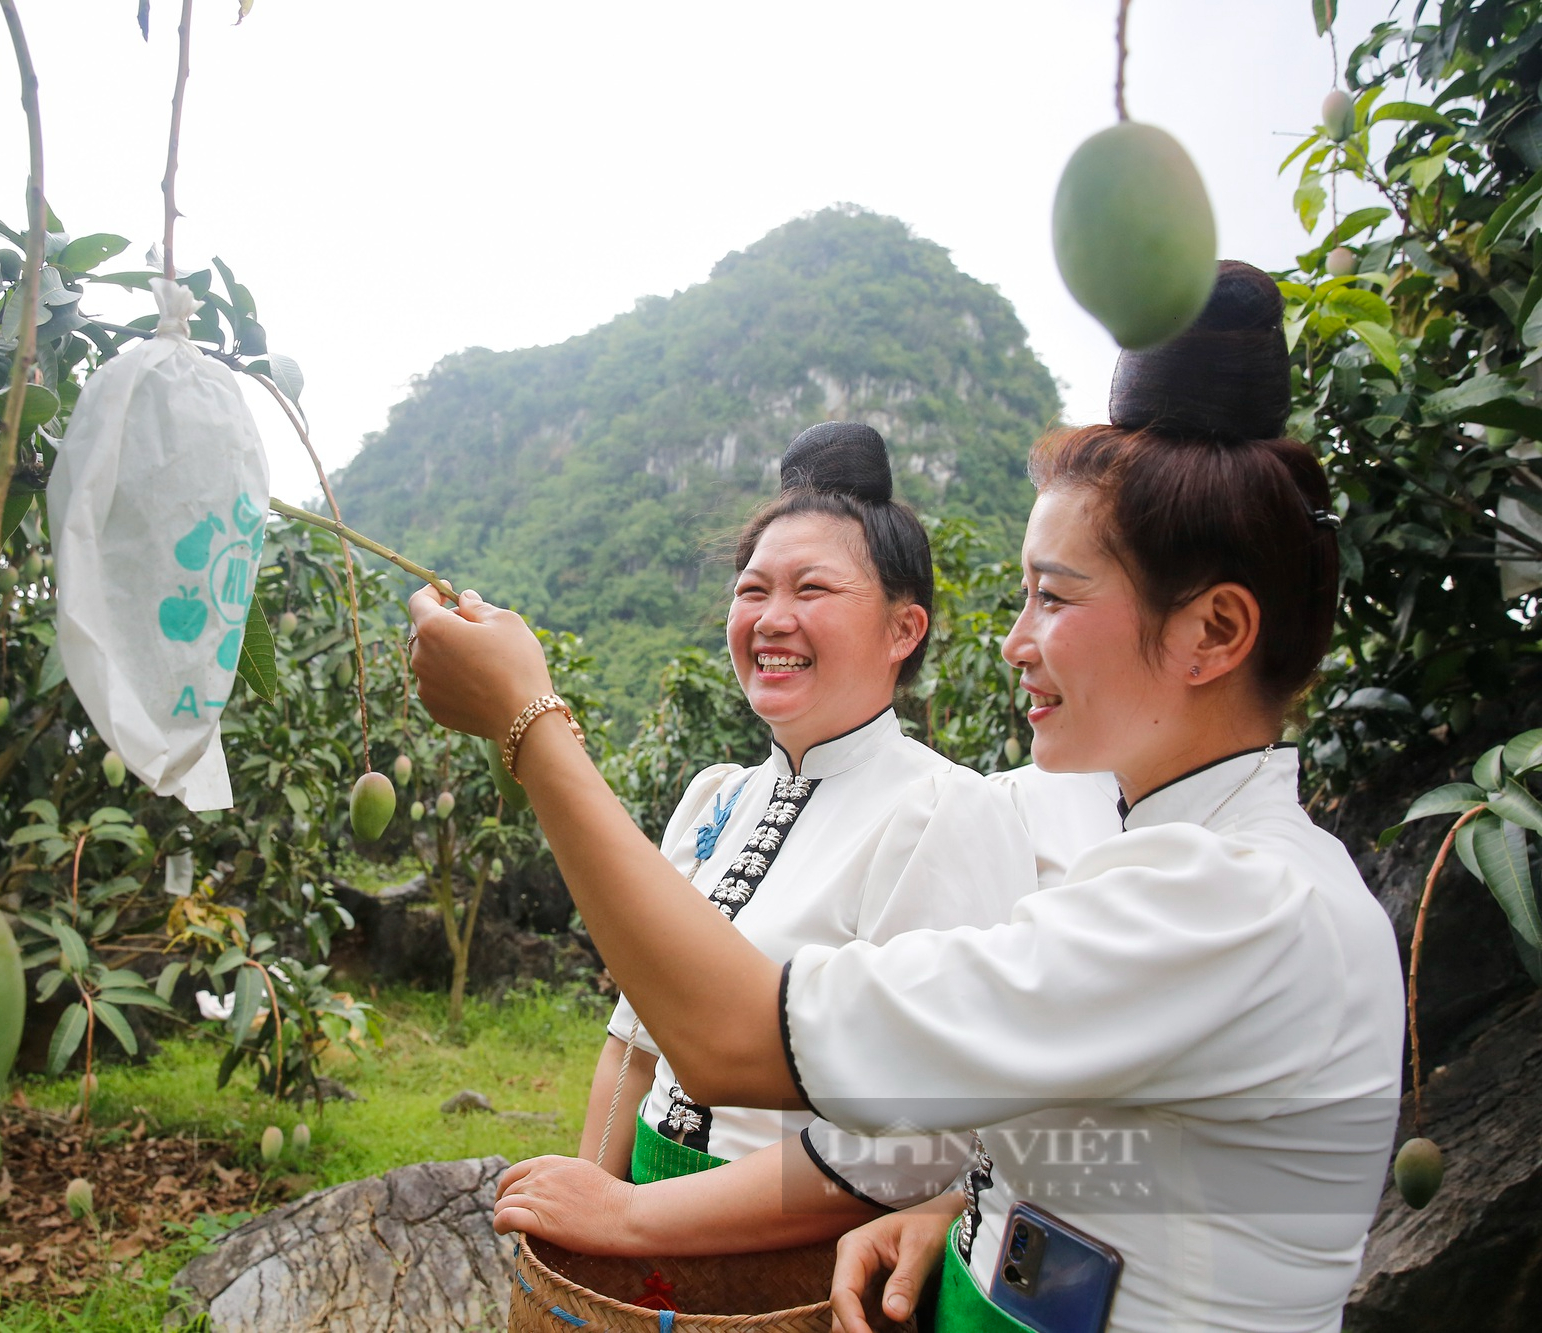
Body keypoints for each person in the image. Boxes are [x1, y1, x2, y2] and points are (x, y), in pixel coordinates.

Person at [408, 262, 1402, 1332]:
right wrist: (968, 1204)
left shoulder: (1228, 897)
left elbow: (744, 1046)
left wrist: (529, 725)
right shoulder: (1124, 840)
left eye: (1053, 599)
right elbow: (1105, 1149)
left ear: (1211, 631)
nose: (1015, 643)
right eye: (752, 587)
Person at [552, 421, 1051, 1256]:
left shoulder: (944, 811)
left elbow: (925, 1138)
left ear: (904, 629)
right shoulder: (718, 797)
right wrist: (592, 1222)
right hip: (639, 1220)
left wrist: (641, 1223)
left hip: (796, 1255)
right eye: (752, 591)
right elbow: (633, 1046)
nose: (772, 620)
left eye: (812, 591)